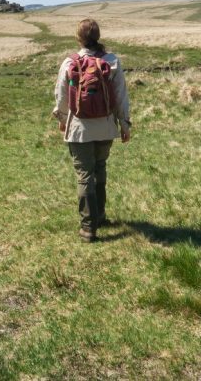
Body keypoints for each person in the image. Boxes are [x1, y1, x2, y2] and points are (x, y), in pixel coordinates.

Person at [53, 18, 131, 243]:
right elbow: (121, 96)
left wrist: (62, 119)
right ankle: (100, 216)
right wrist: (124, 124)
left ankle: (88, 228)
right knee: (100, 168)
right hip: (106, 127)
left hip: (79, 129)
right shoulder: (112, 61)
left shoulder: (69, 63)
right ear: (98, 36)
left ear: (78, 38)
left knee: (84, 175)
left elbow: (61, 96)